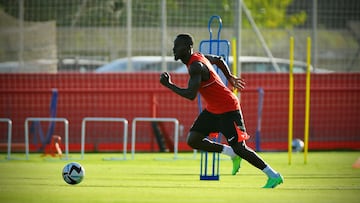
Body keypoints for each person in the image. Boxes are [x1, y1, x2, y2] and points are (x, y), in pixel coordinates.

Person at [160, 33, 283, 188]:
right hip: (213, 109)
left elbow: (191, 95)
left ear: (188, 47)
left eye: (177, 46)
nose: (173, 49)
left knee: (241, 148)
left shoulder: (196, 66)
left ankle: (273, 175)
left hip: (228, 108)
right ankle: (231, 153)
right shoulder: (198, 57)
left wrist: (169, 84)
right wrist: (229, 76)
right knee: (193, 140)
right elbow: (219, 59)